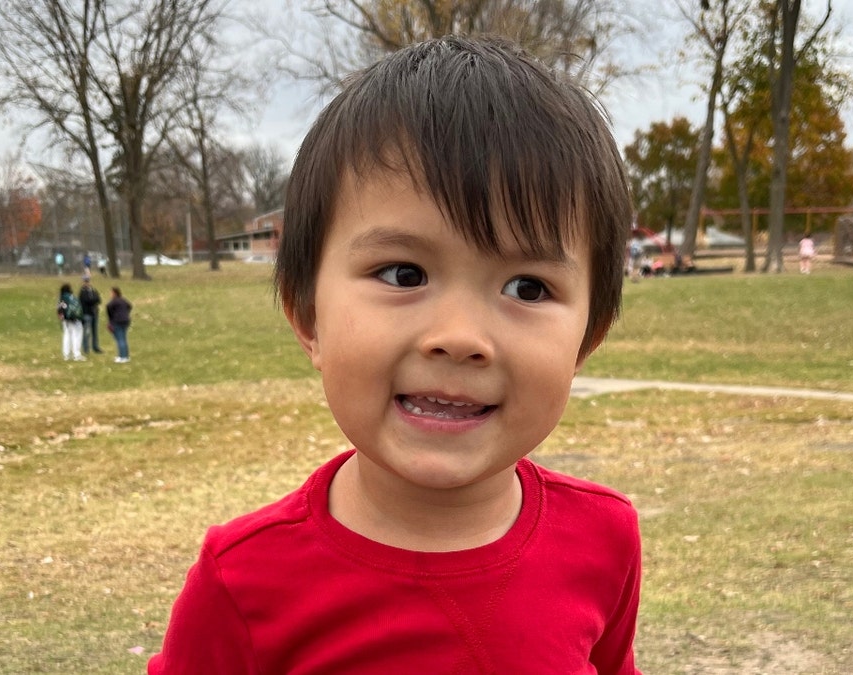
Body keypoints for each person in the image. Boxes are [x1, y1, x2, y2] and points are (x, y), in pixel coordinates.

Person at [148, 36, 642, 674]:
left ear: (588, 337)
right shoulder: (243, 581)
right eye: (404, 274)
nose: (460, 336)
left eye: (528, 287)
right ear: (307, 314)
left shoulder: (604, 539)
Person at [56, 283, 85, 361]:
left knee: (67, 335)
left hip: (65, 320)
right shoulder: (72, 297)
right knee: (77, 335)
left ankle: (66, 354)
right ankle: (76, 354)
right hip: (75, 319)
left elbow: (59, 309)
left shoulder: (61, 298)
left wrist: (62, 317)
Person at [105, 286, 132, 364]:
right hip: (126, 321)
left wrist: (111, 319)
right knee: (123, 338)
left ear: (114, 293)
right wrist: (126, 313)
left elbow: (108, 308)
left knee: (120, 339)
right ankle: (125, 355)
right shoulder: (123, 300)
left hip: (117, 321)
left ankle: (122, 357)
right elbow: (129, 306)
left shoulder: (113, 302)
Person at [78, 275, 103, 355]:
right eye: (85, 281)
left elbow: (98, 299)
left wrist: (94, 300)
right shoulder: (82, 291)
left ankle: (95, 347)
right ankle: (86, 348)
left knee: (95, 331)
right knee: (86, 332)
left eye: (88, 281)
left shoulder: (93, 290)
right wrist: (93, 301)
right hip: (86, 314)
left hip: (94, 313)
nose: (87, 283)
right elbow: (86, 301)